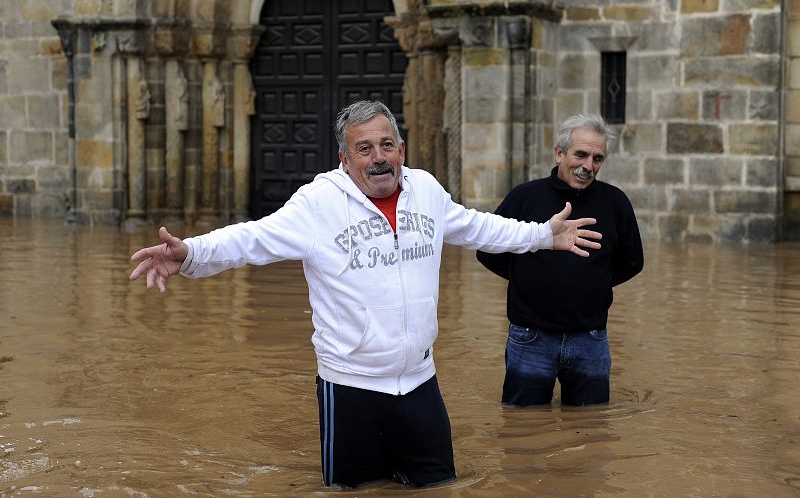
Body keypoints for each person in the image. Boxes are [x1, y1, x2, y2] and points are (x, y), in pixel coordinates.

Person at [129, 100, 602, 489]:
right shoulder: (318, 203)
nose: (379, 157)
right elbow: (252, 239)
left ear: (402, 148)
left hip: (420, 382)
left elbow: (478, 226)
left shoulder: (427, 192)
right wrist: (189, 254)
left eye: (386, 145)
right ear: (345, 159)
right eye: (364, 148)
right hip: (350, 386)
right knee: (350, 493)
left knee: (438, 486)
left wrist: (543, 235)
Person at [477, 113, 643, 407]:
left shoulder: (615, 202)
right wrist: (528, 276)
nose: (587, 166)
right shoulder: (525, 197)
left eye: (597, 158)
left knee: (591, 429)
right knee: (522, 427)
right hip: (530, 339)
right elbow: (488, 249)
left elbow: (631, 262)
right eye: (580, 154)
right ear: (559, 153)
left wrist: (592, 280)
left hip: (590, 339)